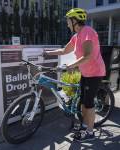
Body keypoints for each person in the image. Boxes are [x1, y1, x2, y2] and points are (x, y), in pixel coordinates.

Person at [44, 8, 106, 142]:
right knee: (83, 102)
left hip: (95, 73)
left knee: (88, 104)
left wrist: (69, 66)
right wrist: (47, 53)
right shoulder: (76, 36)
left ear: (75, 21)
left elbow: (88, 55)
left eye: (68, 21)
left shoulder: (87, 32)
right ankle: (84, 125)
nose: (67, 24)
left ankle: (90, 133)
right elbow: (64, 50)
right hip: (86, 73)